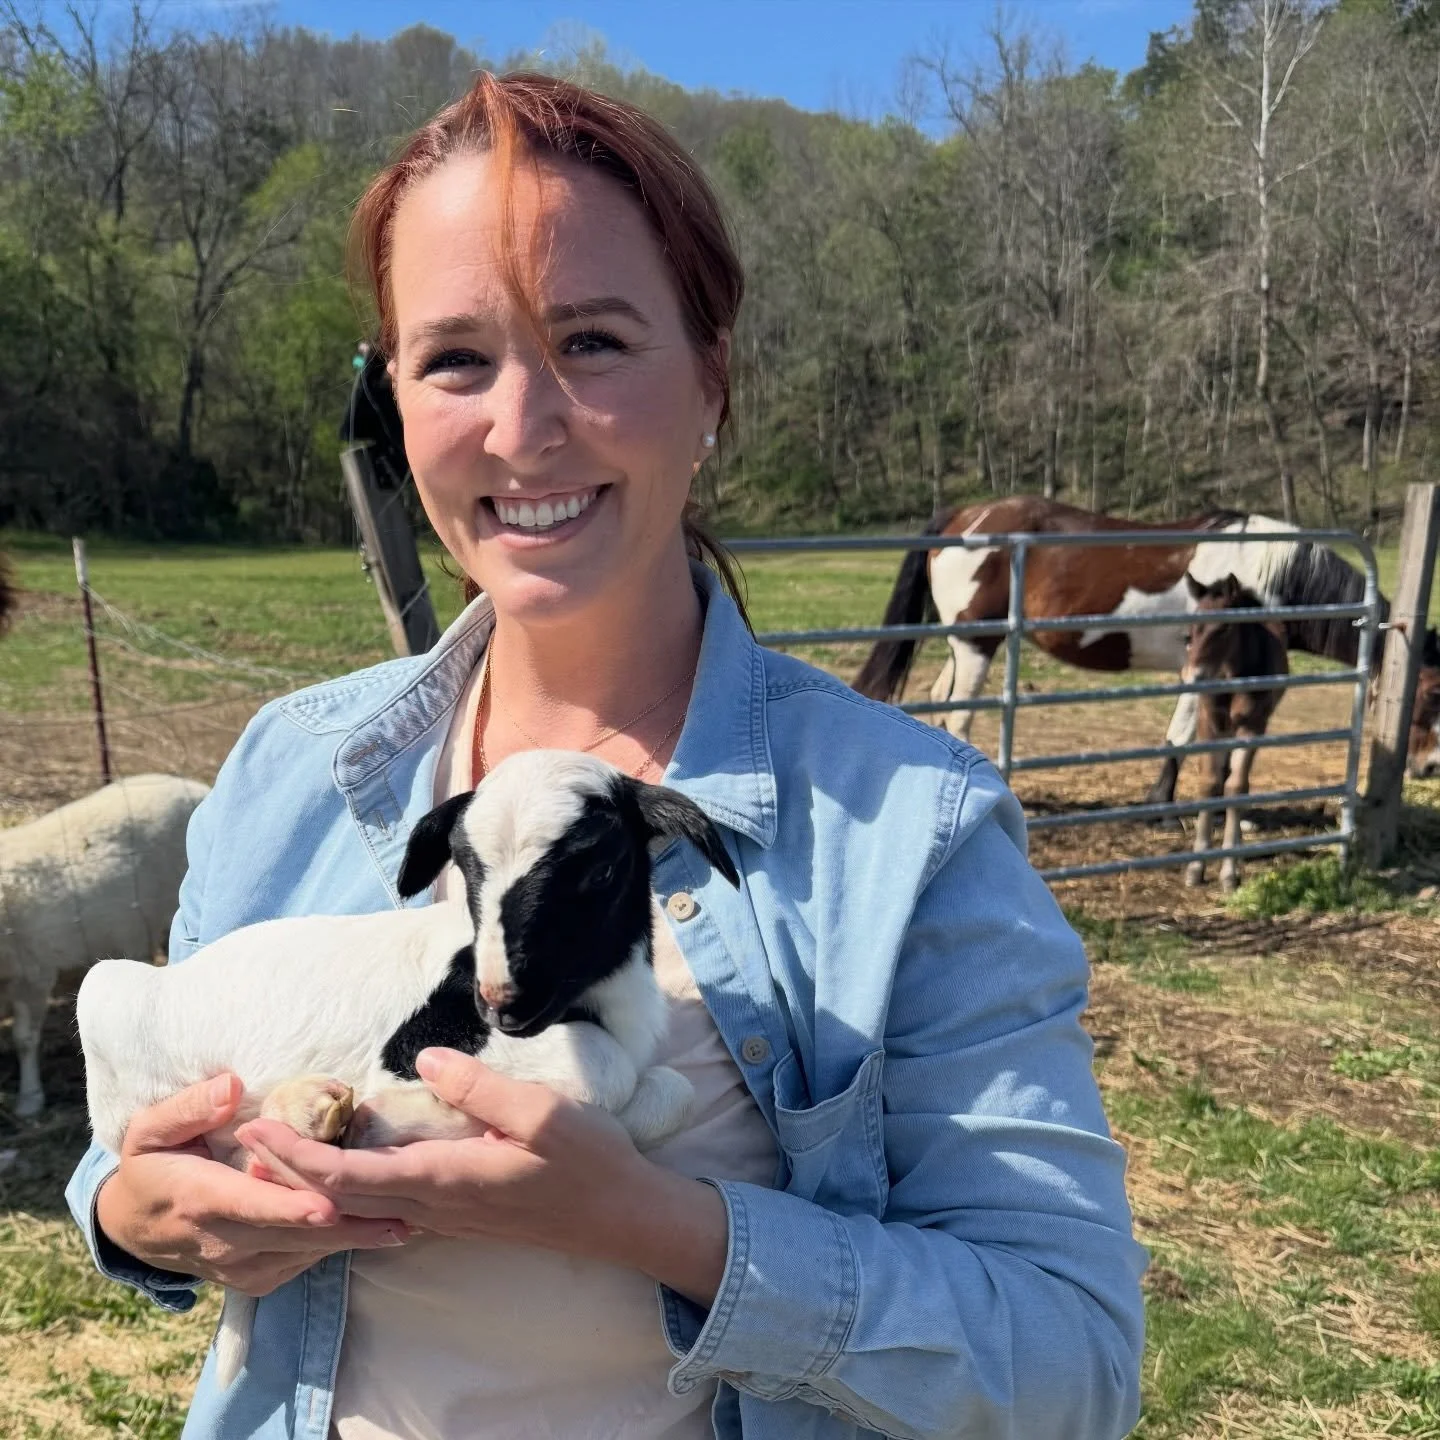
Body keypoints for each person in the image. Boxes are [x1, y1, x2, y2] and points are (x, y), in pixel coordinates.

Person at [66, 72, 1147, 1440]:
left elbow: (1072, 1363)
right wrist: (138, 1213)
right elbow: (134, 1140)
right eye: (455, 357)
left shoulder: (906, 833)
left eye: (592, 342)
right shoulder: (288, 773)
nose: (523, 429)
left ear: (709, 379)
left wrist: (665, 1229)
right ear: (395, 403)